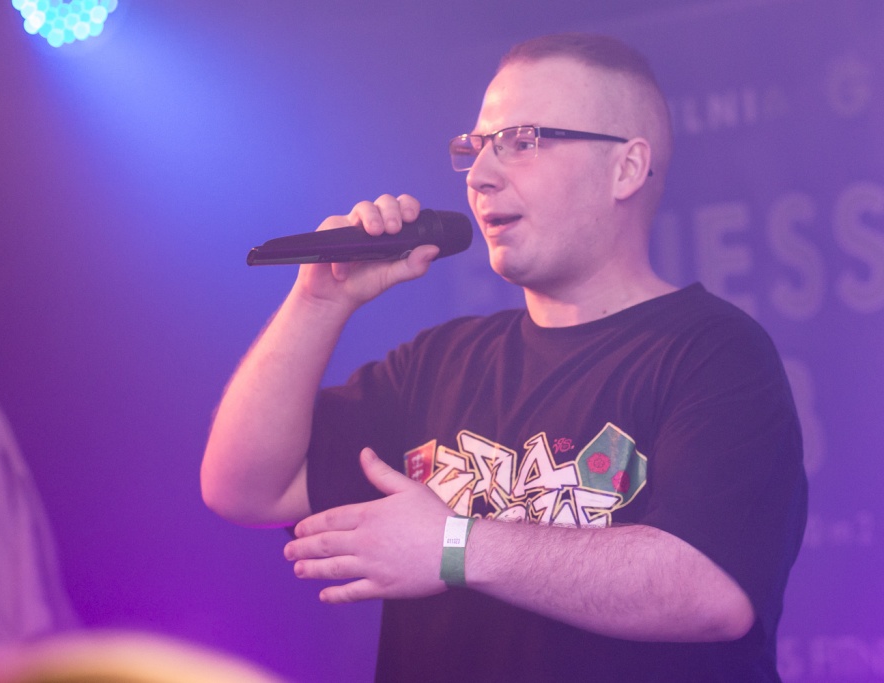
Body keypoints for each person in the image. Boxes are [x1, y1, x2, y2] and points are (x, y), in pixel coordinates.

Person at [201, 33, 807, 682]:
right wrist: (319, 301)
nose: (481, 175)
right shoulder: (436, 364)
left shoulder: (713, 353)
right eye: (476, 146)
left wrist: (454, 547)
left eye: (523, 141)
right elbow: (246, 488)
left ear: (627, 169)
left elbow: (707, 589)